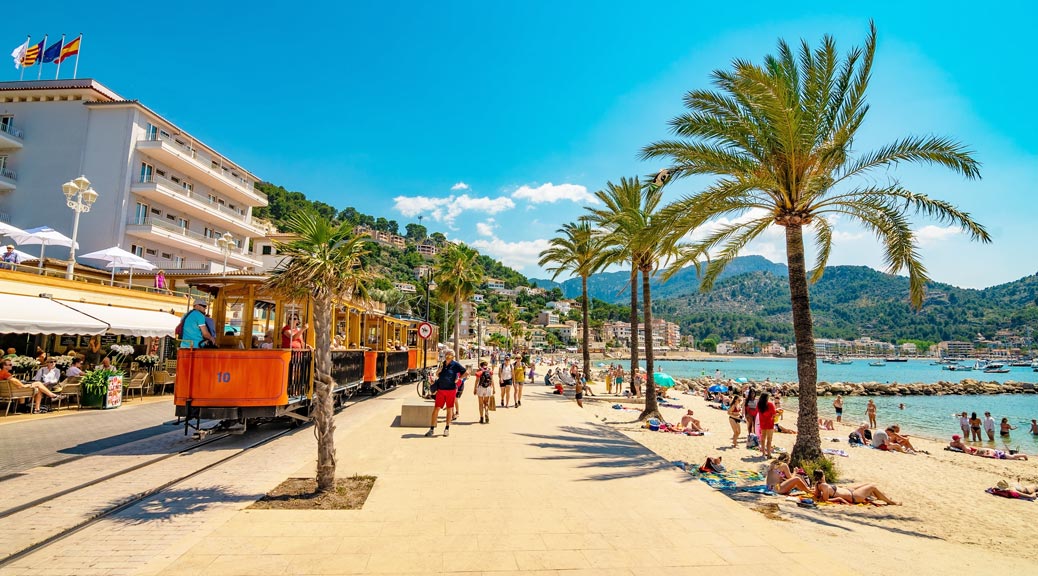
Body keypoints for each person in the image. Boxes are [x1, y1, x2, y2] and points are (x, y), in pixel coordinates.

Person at [426, 351, 466, 437]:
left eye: (450, 355)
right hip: (441, 389)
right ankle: (432, 429)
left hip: (451, 390)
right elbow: (437, 375)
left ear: (453, 356)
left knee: (449, 409)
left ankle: (447, 428)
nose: (447, 357)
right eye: (446, 355)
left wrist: (459, 378)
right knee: (436, 409)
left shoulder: (456, 365)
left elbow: (466, 372)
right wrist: (437, 372)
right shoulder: (442, 364)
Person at [812, 470, 900, 505]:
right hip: (854, 496)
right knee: (872, 487)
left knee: (869, 484)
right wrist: (839, 498)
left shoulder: (819, 484)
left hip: (849, 491)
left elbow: (817, 495)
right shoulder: (824, 485)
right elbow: (825, 499)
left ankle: (883, 497)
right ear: (823, 475)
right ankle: (890, 502)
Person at [949, 435, 1028, 460]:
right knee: (1011, 457)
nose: (960, 438)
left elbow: (989, 455)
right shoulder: (958, 444)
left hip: (996, 452)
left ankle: (1023, 455)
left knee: (1012, 457)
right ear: (956, 439)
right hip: (996, 452)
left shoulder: (957, 444)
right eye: (959, 438)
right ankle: (1022, 455)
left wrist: (973, 454)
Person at [757, 392, 776, 458]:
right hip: (769, 423)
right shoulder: (770, 404)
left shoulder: (759, 404)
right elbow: (774, 414)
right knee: (769, 439)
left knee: (763, 439)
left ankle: (763, 453)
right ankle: (769, 454)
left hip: (762, 423)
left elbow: (757, 412)